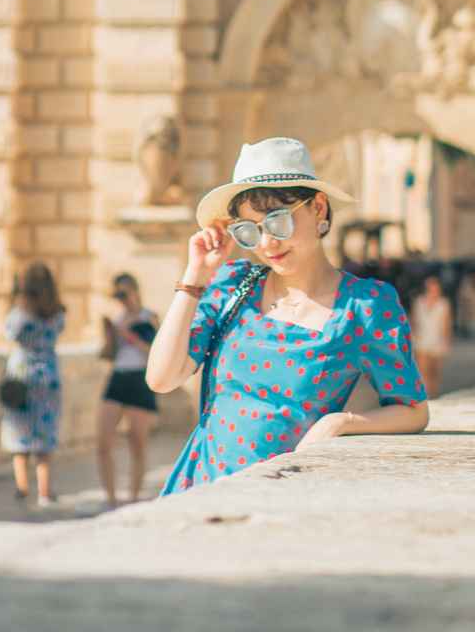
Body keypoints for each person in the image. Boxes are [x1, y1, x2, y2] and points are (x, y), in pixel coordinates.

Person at [146, 136, 430, 495]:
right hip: (200, 489)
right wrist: (195, 278)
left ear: (319, 209)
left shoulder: (365, 306)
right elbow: (161, 378)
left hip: (285, 496)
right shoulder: (231, 287)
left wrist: (340, 422)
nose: (267, 244)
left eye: (278, 222)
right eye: (249, 231)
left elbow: (413, 410)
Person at [1, 262, 66, 508]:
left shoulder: (20, 315)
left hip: (22, 376)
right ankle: (45, 491)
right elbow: (60, 327)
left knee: (19, 434)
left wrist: (18, 304)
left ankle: (22, 487)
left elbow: (10, 333)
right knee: (44, 437)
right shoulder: (57, 314)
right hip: (48, 375)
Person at [98, 271, 160, 508]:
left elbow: (155, 352)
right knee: (103, 442)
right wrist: (110, 334)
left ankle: (133, 498)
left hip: (140, 378)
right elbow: (107, 354)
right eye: (118, 293)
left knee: (137, 443)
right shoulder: (116, 318)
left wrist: (130, 334)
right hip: (118, 377)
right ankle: (110, 498)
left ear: (135, 290)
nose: (122, 298)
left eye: (125, 292)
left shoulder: (149, 317)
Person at [410, 271, 453, 398]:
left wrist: (447, 341)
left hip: (438, 342)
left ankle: (433, 395)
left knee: (435, 372)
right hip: (421, 341)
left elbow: (447, 324)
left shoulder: (443, 304)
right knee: (423, 372)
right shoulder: (419, 302)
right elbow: (414, 321)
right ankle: (426, 397)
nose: (433, 290)